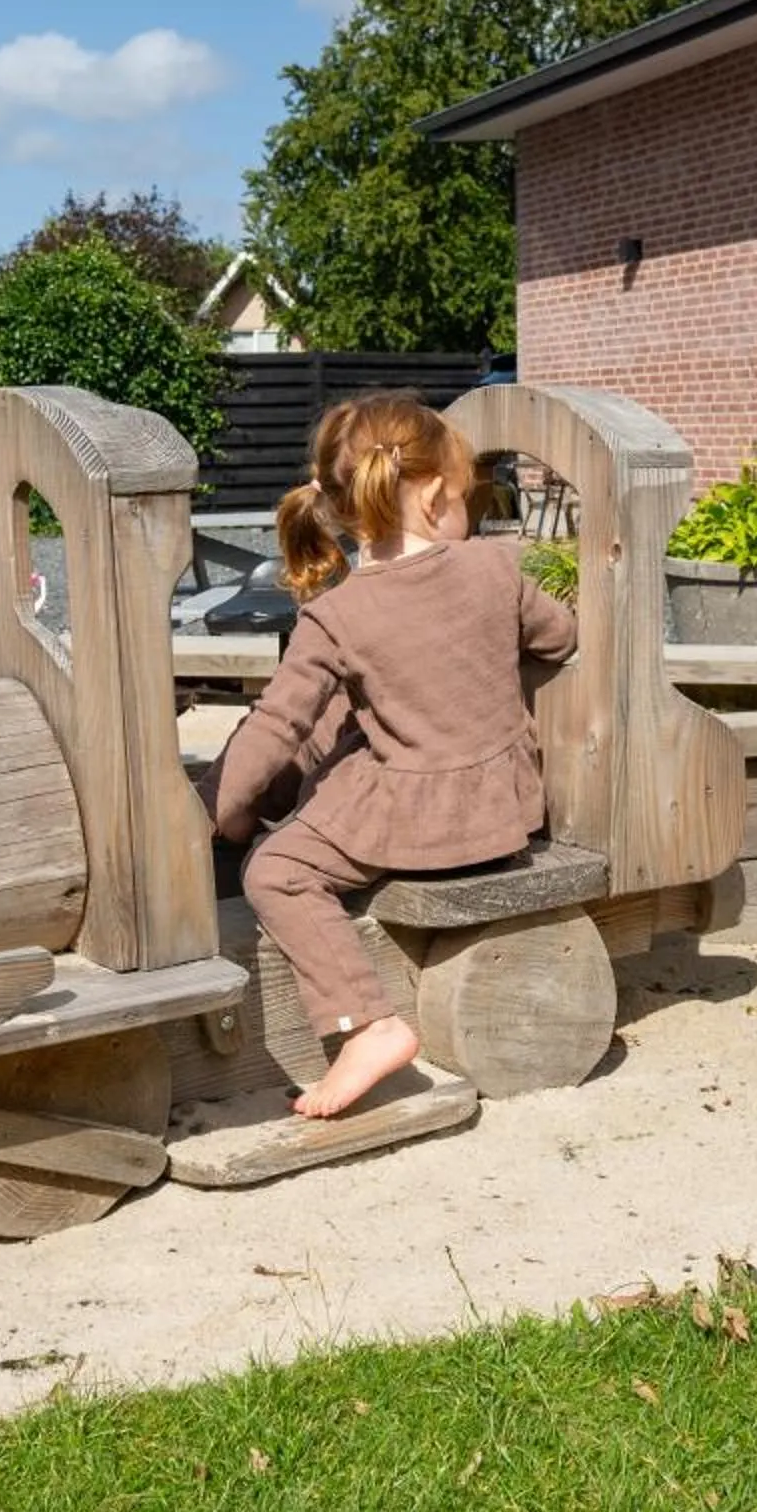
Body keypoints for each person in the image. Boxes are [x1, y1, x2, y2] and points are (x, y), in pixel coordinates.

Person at [200, 393, 578, 1116]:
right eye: (468, 495)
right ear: (437, 494)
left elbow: (277, 722)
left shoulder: (336, 613)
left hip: (423, 822)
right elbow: (559, 637)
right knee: (345, 717)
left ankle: (367, 1025)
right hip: (503, 810)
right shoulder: (495, 569)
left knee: (275, 872)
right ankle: (256, 808)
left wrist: (214, 810)